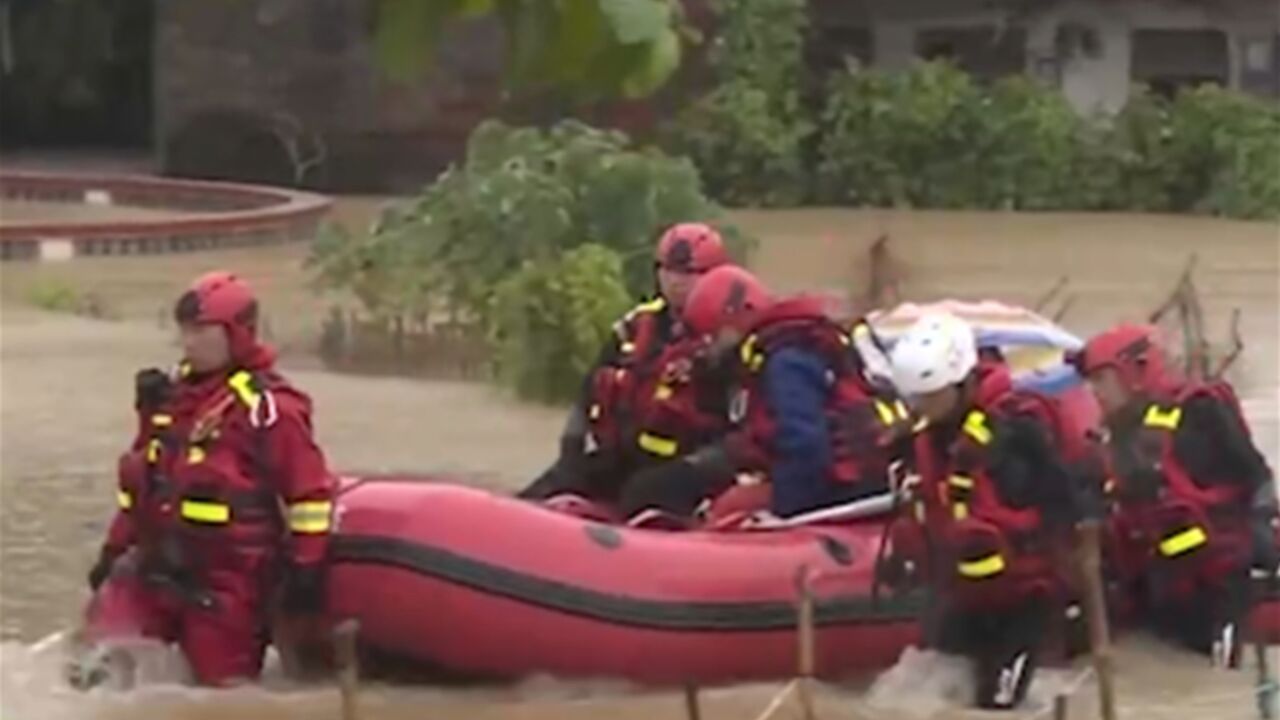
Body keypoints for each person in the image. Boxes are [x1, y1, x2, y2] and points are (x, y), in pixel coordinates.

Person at [83, 271, 335, 686]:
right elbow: (142, 484)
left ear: (236, 334)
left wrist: (306, 570)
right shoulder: (169, 399)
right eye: (185, 331)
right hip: (153, 571)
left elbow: (308, 494)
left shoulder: (268, 408)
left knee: (222, 694)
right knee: (95, 669)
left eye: (201, 331)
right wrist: (113, 549)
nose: (188, 342)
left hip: (226, 584)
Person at [887, 312, 1084, 710]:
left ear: (960, 383)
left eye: (931, 395)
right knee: (916, 689)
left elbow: (1064, 503)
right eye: (918, 397)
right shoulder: (929, 439)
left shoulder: (1015, 432)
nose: (923, 406)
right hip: (964, 596)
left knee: (998, 703)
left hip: (1024, 598)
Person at [617, 266, 908, 524]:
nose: (709, 348)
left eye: (713, 337)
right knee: (665, 485)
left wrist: (779, 515)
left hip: (839, 483)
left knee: (727, 508)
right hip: (799, 468)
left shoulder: (786, 362)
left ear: (737, 319)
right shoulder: (768, 352)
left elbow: (806, 448)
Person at [1074, 323, 1278, 664]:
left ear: (1135, 371)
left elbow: (1254, 479)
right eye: (1090, 382)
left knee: (1220, 679)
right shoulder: (1109, 440)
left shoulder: (1199, 413)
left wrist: (1261, 546)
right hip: (1159, 590)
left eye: (1101, 380)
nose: (1095, 392)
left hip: (1220, 588)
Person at [518, 222, 731, 506]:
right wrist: (571, 449)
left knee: (643, 492)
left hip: (689, 464)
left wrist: (699, 467)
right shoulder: (635, 327)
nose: (676, 281)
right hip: (626, 457)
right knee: (557, 484)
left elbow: (741, 426)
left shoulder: (727, 335)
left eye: (689, 273)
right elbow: (587, 394)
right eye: (667, 269)